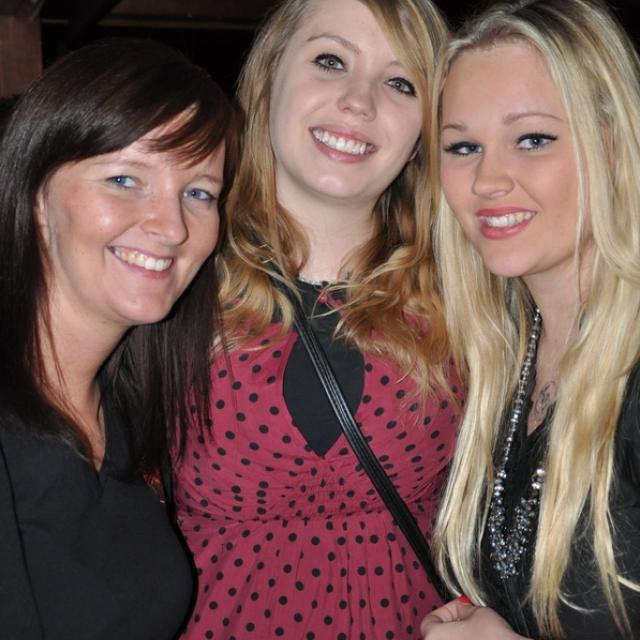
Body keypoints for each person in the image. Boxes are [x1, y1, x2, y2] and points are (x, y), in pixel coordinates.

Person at [171, 0, 462, 638]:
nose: (359, 102)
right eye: (330, 60)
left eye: (401, 82)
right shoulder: (170, 272)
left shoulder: (475, 295)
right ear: (269, 76)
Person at [0, 38, 239, 640]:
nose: (172, 226)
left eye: (198, 192)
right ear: (36, 196)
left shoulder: (124, 410)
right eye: (125, 179)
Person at [421, 0, 640, 638]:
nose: (487, 179)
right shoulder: (503, 352)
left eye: (533, 139)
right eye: (463, 146)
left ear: (615, 144)